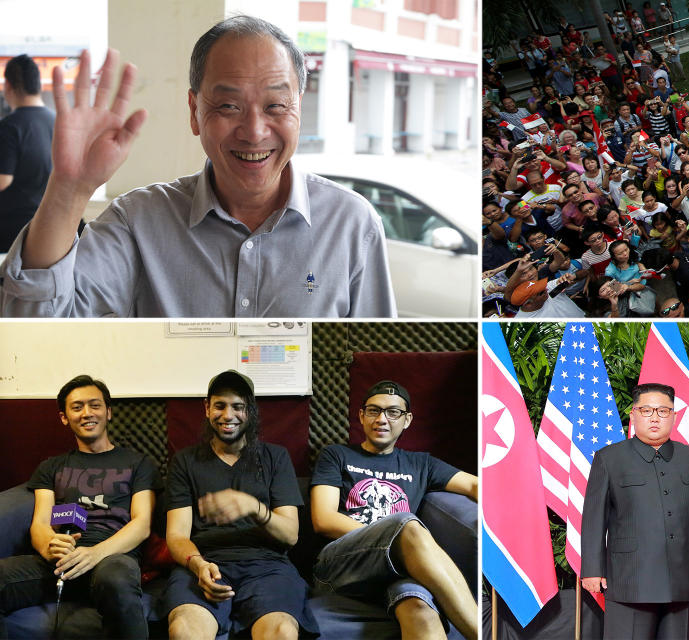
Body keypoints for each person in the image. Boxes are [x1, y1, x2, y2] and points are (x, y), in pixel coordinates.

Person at [0, 16, 395, 317]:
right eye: (228, 106)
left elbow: (379, 379)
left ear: (299, 108)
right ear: (195, 111)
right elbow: (36, 327)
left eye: (275, 106)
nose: (254, 132)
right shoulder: (138, 223)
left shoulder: (351, 225)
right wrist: (70, 188)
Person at [310, 381, 478, 639]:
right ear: (361, 416)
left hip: (398, 571)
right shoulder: (336, 455)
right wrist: (394, 537)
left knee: (421, 609)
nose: (382, 419)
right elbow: (323, 519)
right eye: (374, 411)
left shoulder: (421, 463)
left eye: (393, 412)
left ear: (407, 419)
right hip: (343, 563)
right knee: (406, 525)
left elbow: (473, 484)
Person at [0, 375, 159, 639]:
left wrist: (94, 554)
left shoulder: (138, 463)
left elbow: (141, 525)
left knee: (117, 579)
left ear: (108, 412)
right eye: (77, 407)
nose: (87, 413)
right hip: (62, 560)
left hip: (112, 558)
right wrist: (49, 546)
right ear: (64, 417)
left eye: (95, 405)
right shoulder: (52, 466)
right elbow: (40, 523)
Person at [163, 370, 319, 640]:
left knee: (281, 632)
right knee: (184, 630)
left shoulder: (275, 457)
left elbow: (290, 535)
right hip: (205, 564)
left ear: (251, 411)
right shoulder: (185, 461)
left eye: (238, 406)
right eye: (220, 406)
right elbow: (177, 536)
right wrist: (198, 565)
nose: (228, 415)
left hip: (267, 567)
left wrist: (252, 506)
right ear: (207, 408)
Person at [581, 383, 689, 639]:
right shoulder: (609, 458)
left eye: (663, 411)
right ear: (633, 415)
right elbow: (594, 519)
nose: (655, 417)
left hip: (684, 579)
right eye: (646, 410)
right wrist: (592, 568)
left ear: (674, 416)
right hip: (630, 580)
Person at [0, 55, 56, 252]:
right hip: (49, 224)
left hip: (11, 228)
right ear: (38, 85)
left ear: (8, 85)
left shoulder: (9, 127)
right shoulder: (57, 122)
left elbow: (3, 180)